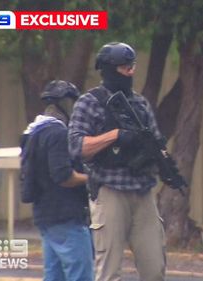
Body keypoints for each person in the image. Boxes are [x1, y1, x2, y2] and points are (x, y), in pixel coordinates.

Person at [68, 42, 166, 281]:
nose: (130, 72)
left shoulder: (140, 104)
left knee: (155, 270)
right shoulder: (89, 102)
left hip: (143, 193)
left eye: (132, 66)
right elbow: (77, 147)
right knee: (109, 272)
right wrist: (116, 135)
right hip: (110, 191)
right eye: (124, 67)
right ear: (109, 69)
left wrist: (160, 158)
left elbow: (157, 143)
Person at [20, 80, 93, 281]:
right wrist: (92, 178)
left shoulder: (35, 131)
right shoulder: (57, 133)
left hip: (45, 215)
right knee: (81, 276)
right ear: (65, 103)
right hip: (66, 216)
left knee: (54, 276)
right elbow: (63, 176)